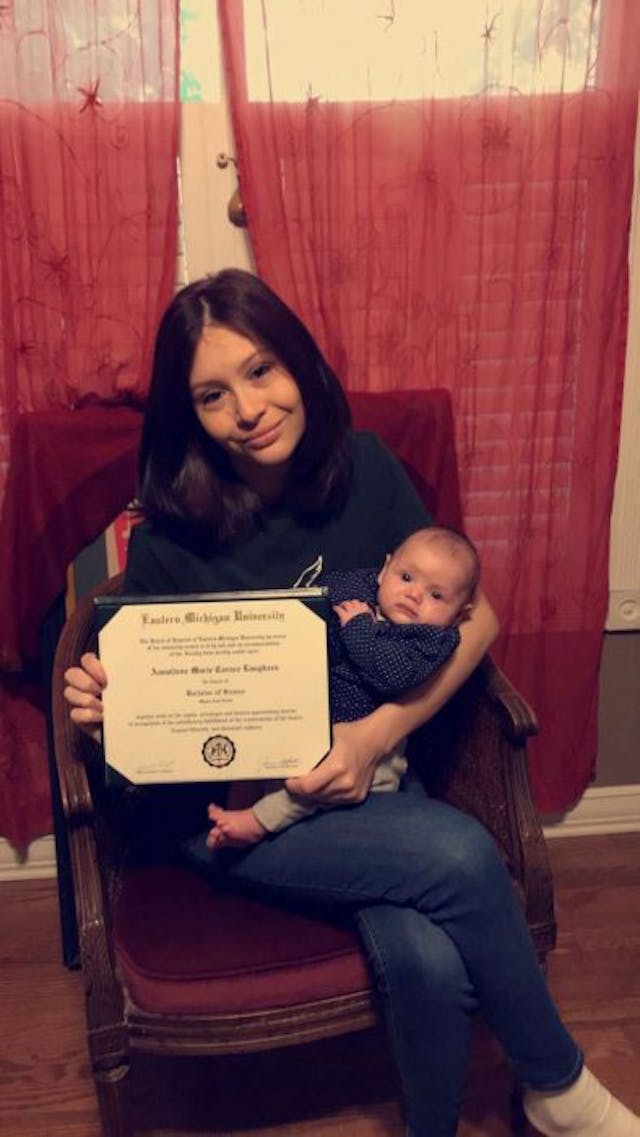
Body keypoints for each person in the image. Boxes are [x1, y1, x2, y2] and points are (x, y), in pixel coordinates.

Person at [64, 268, 640, 1137]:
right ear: (191, 417)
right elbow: (137, 691)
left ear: (300, 362)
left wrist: (377, 736)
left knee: (431, 954)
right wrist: (100, 692)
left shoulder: (366, 470)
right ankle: (558, 1088)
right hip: (229, 808)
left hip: (365, 784)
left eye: (262, 372)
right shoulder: (173, 531)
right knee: (459, 855)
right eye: (213, 395)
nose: (248, 409)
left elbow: (477, 615)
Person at [208, 525, 479, 847]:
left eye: (436, 595)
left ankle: (259, 822)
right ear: (385, 570)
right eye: (406, 577)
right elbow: (325, 594)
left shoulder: (431, 640)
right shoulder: (361, 588)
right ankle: (242, 810)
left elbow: (391, 674)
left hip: (371, 759)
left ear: (460, 614)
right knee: (271, 754)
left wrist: (358, 628)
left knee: (313, 788)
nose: (414, 594)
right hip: (315, 725)